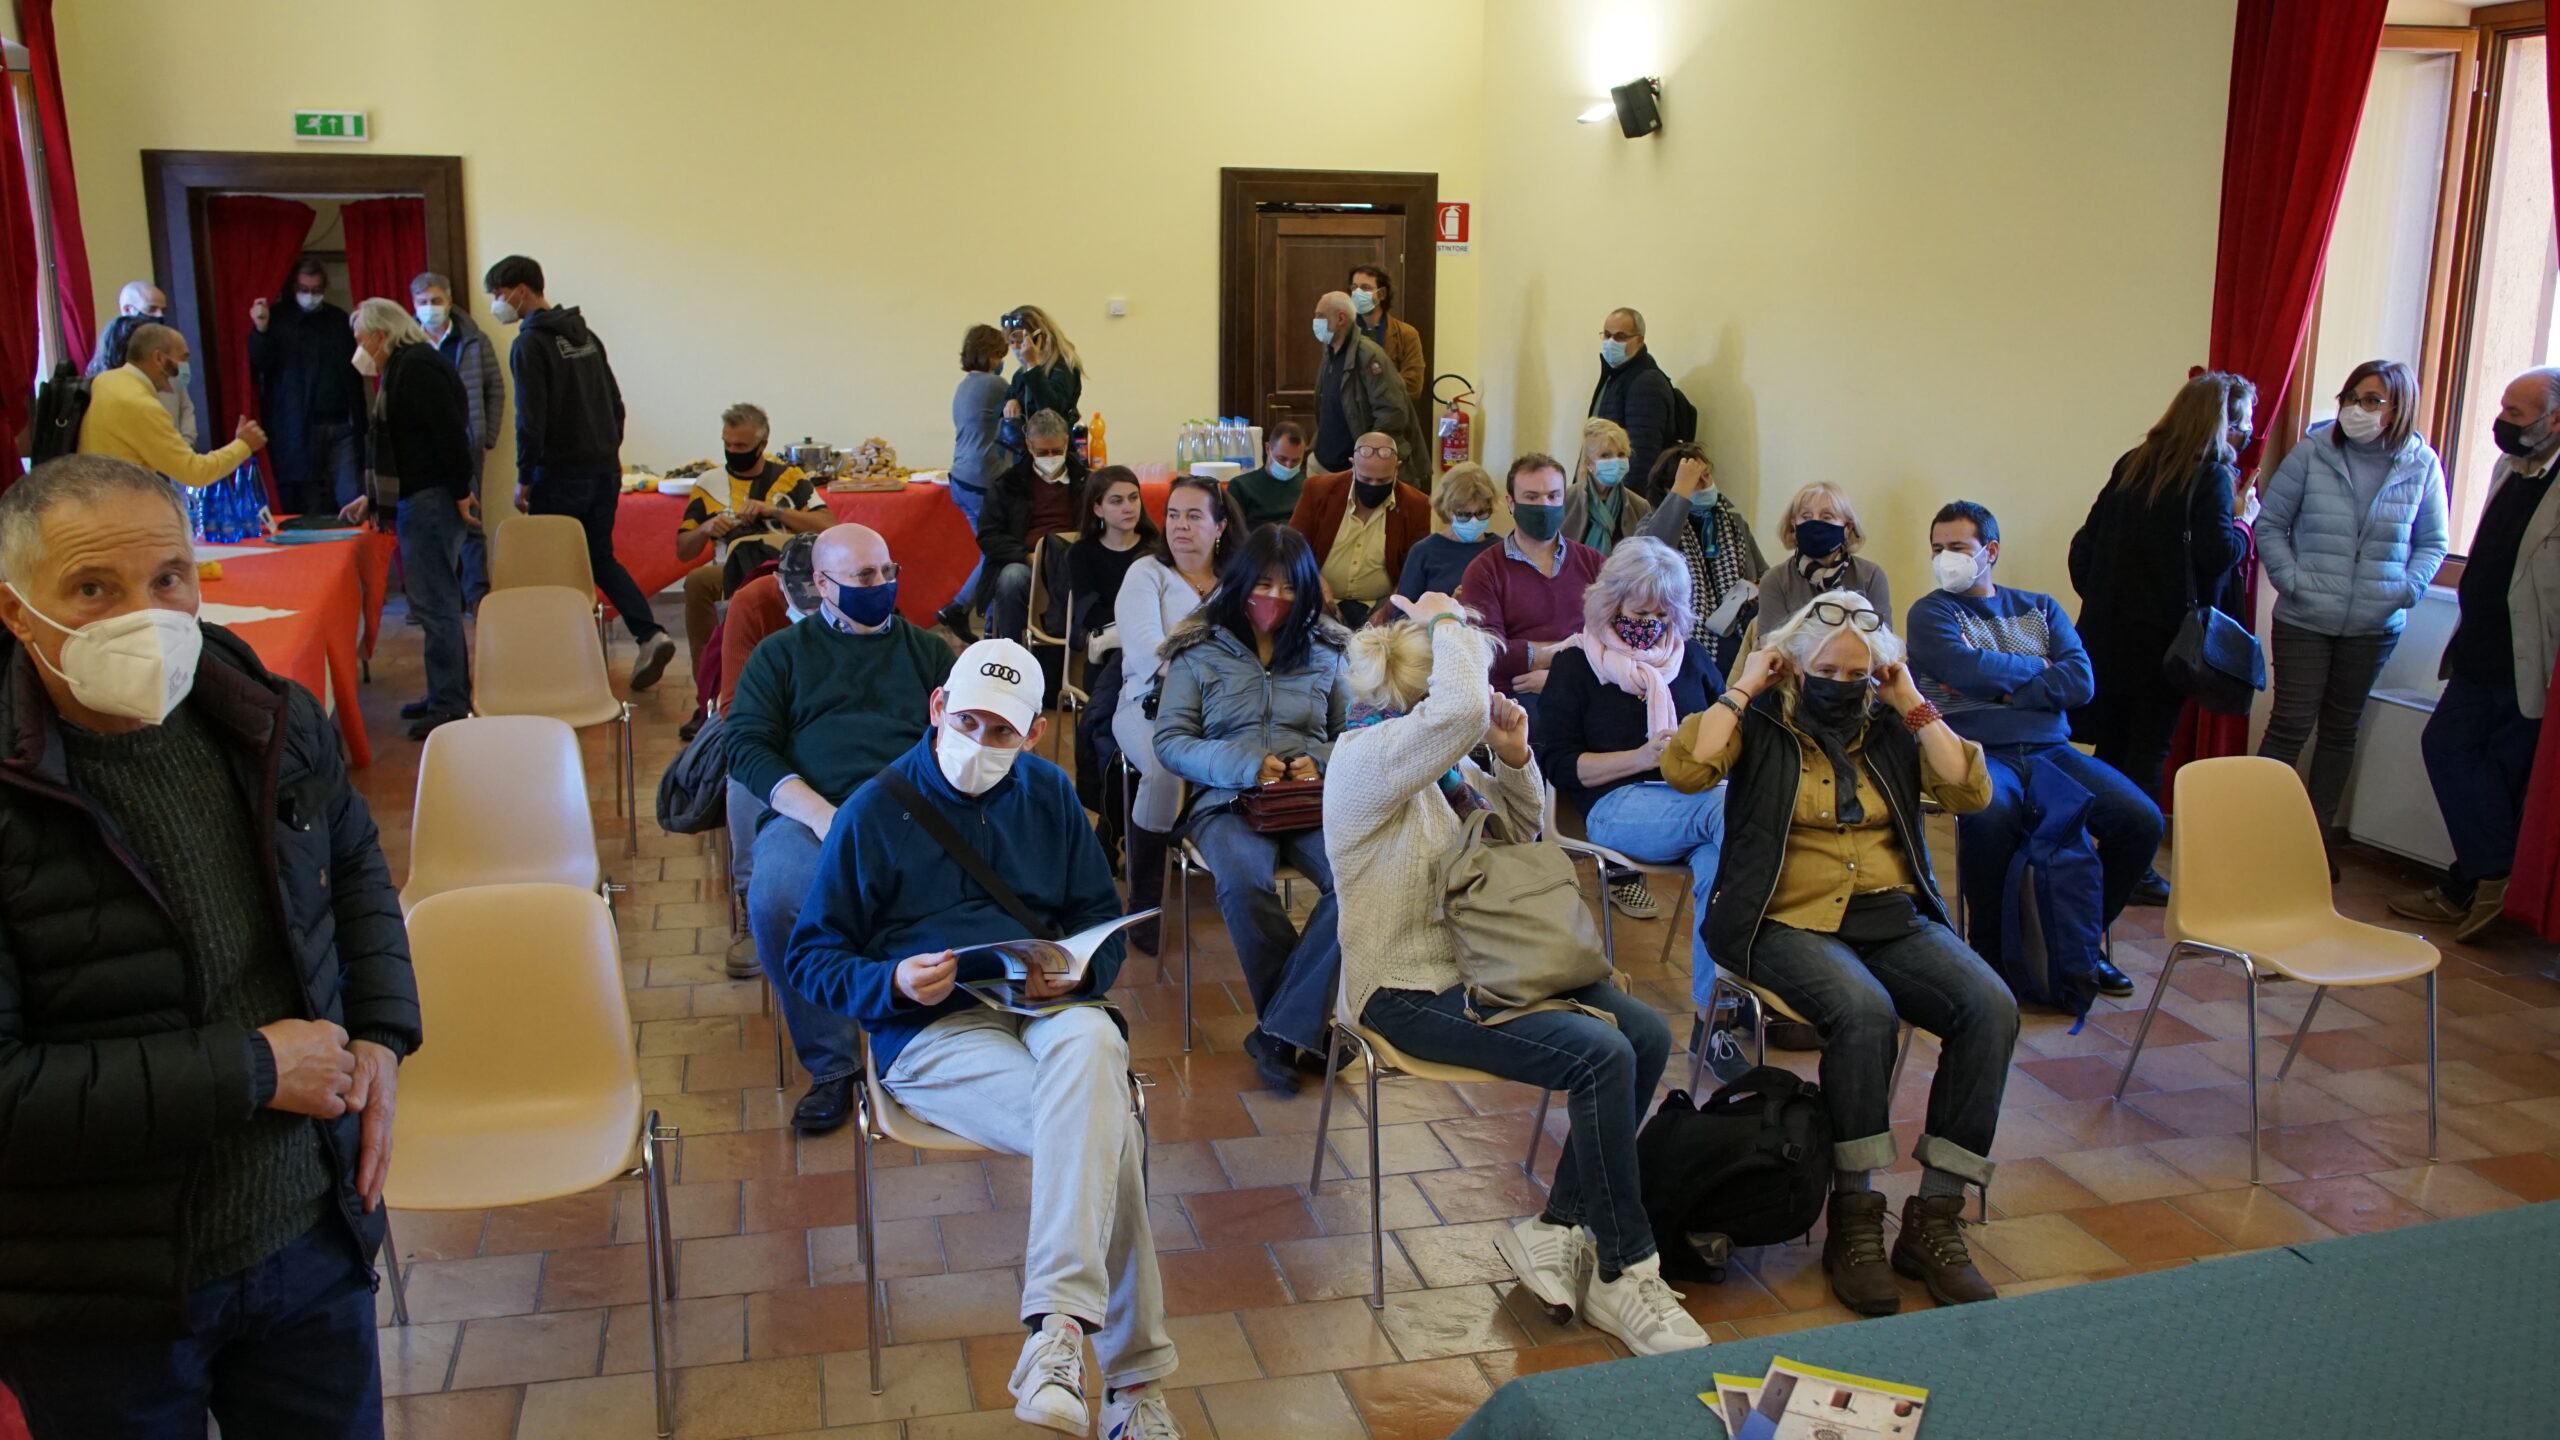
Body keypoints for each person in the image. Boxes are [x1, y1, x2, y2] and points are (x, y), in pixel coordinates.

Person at [0, 455, 420, 1437]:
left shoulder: (264, 714)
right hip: (103, 1296)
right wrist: (255, 1069)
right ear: (18, 612)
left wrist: (381, 1034)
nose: (143, 615)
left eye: (167, 578)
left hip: (307, 1238)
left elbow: (354, 871)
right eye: (93, 588)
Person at [785, 640, 1182, 1440]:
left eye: (1000, 731)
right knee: (1106, 1133)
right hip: (933, 1030)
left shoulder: (1051, 794)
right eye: (966, 721)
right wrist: (892, 982)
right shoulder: (873, 809)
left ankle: (1057, 1339)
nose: (978, 742)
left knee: (1094, 1046)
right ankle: (1131, 1384)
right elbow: (811, 957)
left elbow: (1094, 922)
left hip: (1044, 1012)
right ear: (937, 707)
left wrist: (1078, 973)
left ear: (1034, 733)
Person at [1329, 599, 1707, 1357]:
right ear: (1430, 694)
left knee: (1641, 1032)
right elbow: (1462, 706)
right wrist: (1448, 621)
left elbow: (1519, 831)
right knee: (1601, 1056)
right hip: (1406, 991)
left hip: (1492, 964)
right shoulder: (1367, 759)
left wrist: (1510, 758)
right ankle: (1626, 1268)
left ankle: (1557, 1227)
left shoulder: (1446, 771)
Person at [1662, 592, 2011, 1317]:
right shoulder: (1760, 720)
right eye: (1826, 671)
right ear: (1793, 664)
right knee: (1864, 1013)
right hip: (1780, 919)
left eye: (1857, 674)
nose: (1842, 686)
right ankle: (1855, 1216)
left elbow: (1970, 791)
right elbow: (1687, 771)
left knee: (1990, 1008)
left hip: (1889, 915)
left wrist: (1910, 700)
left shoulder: (1890, 724)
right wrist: (1745, 684)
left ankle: (1935, 1216)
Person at [726, 523, 955, 1131]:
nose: (880, 585)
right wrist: (822, 815)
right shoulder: (781, 655)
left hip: (909, 809)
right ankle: (833, 1065)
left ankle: (929, 1042)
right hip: (811, 814)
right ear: (822, 584)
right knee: (778, 896)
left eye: (887, 572)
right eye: (863, 576)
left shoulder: (928, 653)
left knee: (961, 879)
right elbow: (746, 746)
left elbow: (956, 739)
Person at [1907, 501, 2159, 1000]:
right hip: (1976, 751)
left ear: (1990, 551)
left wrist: (2001, 689)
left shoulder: (2040, 607)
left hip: (2051, 751)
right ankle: (1990, 955)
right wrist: (2040, 669)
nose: (1944, 558)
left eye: (1957, 547)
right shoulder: (1932, 611)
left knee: (2140, 821)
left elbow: (2080, 681)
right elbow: (1961, 668)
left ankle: (2078, 943)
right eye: (1936, 548)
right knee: (1991, 817)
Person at [1153, 526, 1349, 1093]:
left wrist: (1319, 759)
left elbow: (1357, 734)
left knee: (1356, 880)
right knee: (1244, 881)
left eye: (1290, 587)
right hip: (1227, 800)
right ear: (1240, 581)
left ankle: (1277, 1033)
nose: (1275, 598)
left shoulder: (1330, 651)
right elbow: (1171, 741)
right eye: (1263, 583)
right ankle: (1298, 1027)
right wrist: (1243, 763)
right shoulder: (1197, 650)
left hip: (1310, 799)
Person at [2068, 370, 2254, 889]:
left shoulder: (2134, 463)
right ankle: (2134, 868)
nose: (2244, 435)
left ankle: (2094, 850)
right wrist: (2244, 521)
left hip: (2108, 633)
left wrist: (2101, 600)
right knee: (2148, 751)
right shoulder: (2211, 477)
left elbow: (2084, 545)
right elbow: (2219, 554)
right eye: (2242, 424)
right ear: (2222, 423)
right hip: (2168, 641)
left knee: (2112, 746)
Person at [2393, 367, 2560, 941]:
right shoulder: (2506, 468)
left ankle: (2472, 885)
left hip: (2529, 660)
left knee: (2504, 774)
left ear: (2554, 420)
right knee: (2447, 747)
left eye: (2516, 413)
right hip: (2477, 649)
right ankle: (2491, 876)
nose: (2501, 422)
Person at [2255, 360, 2449, 844]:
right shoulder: (2312, 452)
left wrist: (2406, 589)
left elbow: (2433, 542)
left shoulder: (2422, 463)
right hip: (2304, 617)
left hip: (2374, 624)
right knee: (2290, 725)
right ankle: (2258, 837)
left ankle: (2315, 843)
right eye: (2351, 398)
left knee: (2341, 731)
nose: (2357, 409)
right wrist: (2292, 580)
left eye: (2371, 401)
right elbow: (2270, 523)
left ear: (2399, 408)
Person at [484, 254, 679, 689]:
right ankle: (650, 634)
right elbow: (616, 403)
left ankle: (562, 660)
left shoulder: (530, 345)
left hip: (558, 475)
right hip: (603, 469)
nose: (497, 303)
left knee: (553, 563)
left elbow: (530, 418)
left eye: (499, 294)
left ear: (521, 290)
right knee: (599, 557)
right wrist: (608, 451)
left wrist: (524, 475)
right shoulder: (585, 336)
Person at [1535, 537, 1728, 932]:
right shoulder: (1576, 665)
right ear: (1612, 604)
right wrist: (1643, 757)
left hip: (1694, 796)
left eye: (1663, 614)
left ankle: (1727, 974)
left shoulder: (1691, 658)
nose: (1651, 624)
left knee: (1720, 872)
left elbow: (1727, 730)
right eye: (1640, 612)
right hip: (1613, 807)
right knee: (1731, 810)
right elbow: (1559, 766)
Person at [337, 300, 478, 742]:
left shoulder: (416, 367)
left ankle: (450, 703)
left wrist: (461, 491)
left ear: (380, 335)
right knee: (431, 603)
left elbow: (449, 436)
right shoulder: (404, 366)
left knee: (436, 605)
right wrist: (371, 497)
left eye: (361, 338)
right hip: (421, 496)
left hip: (432, 500)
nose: (359, 348)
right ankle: (442, 692)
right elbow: (406, 447)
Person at [1114, 476, 1244, 955]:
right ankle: (1145, 902)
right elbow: (1152, 654)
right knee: (1164, 767)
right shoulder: (1146, 573)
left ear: (1220, 527)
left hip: (1227, 706)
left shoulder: (1239, 579)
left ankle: (1240, 879)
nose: (1179, 526)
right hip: (1149, 702)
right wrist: (1220, 670)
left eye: (1193, 516)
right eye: (1172, 515)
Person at [717, 535, 824, 980]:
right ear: (781, 583)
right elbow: (733, 705)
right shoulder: (753, 603)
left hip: (832, 731)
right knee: (744, 777)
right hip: (770, 726)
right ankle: (750, 901)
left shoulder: (865, 598)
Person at [676, 403, 827, 680]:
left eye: (741, 446)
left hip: (786, 568)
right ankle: (709, 680)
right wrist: (705, 529)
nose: (732, 451)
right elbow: (683, 551)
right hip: (730, 569)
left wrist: (776, 511)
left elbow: (828, 526)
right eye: (727, 444)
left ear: (762, 445)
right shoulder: (708, 484)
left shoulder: (790, 478)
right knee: (698, 580)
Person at [1460, 453, 1606, 700]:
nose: (1544, 506)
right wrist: (1577, 649)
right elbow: (1489, 651)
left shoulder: (1594, 563)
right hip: (1515, 699)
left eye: (1553, 496)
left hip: (1586, 690)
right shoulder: (1484, 570)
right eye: (1531, 497)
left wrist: (1561, 674)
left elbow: (1615, 639)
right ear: (1511, 502)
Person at [1068, 467, 1157, 827]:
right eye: (1117, 501)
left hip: (1149, 654)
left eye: (1133, 498)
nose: (1128, 507)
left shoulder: (1156, 547)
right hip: (1108, 660)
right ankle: (1114, 815)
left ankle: (1117, 821)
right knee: (1108, 722)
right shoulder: (1082, 553)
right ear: (1097, 508)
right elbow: (1089, 615)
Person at [410, 273, 506, 609]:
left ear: (449, 302)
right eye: (423, 302)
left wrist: (488, 436)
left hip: (467, 444)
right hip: (421, 450)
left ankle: (477, 595)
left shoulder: (474, 340)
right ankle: (434, 599)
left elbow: (495, 389)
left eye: (436, 301)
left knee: (471, 520)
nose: (430, 308)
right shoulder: (406, 343)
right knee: (427, 523)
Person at [76, 323, 265, 487]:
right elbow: (195, 472)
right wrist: (244, 445)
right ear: (159, 358)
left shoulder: (106, 380)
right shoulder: (141, 405)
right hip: (120, 504)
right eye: (183, 358)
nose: (186, 366)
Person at [1638, 445, 1769, 675]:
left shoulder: (1733, 522)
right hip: (1684, 640)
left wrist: (1755, 588)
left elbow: (1764, 574)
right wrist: (1682, 490)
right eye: (1697, 480)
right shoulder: (1652, 523)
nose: (1707, 484)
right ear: (1671, 488)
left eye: (1707, 475)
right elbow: (1653, 552)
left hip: (1736, 634)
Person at [249, 259, 366, 515]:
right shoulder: (278, 320)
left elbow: (356, 371)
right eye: (304, 289)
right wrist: (261, 329)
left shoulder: (338, 320)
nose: (310, 296)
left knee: (351, 496)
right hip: (298, 426)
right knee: (308, 502)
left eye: (316, 290)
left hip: (342, 423)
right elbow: (261, 364)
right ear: (294, 288)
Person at [1286, 430, 1431, 627]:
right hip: (1319, 600)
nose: (1373, 485)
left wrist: (1387, 610)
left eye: (1383, 481)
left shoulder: (1416, 505)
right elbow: (1292, 546)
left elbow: (1415, 570)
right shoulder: (1318, 490)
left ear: (1396, 468)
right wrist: (1316, 581)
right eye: (1365, 479)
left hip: (1380, 605)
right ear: (1352, 464)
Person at [974, 410, 1091, 642]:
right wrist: (1026, 557)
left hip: (1075, 560)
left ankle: (1085, 649)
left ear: (1066, 442)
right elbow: (989, 536)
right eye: (1042, 452)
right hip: (1027, 563)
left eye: (1056, 451)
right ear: (1029, 446)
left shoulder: (1086, 482)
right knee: (1011, 579)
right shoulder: (1008, 484)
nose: (1050, 457)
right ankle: (1013, 650)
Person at [937, 323, 1012, 637]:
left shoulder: (964, 386)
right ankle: (958, 607)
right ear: (992, 354)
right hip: (983, 479)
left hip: (961, 477)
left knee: (989, 552)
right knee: (997, 552)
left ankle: (986, 619)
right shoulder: (996, 384)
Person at [1310, 291, 1424, 486]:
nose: (1315, 321)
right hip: (1323, 465)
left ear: (1340, 318)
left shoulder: (1368, 355)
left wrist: (1368, 457)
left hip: (1356, 472)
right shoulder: (1330, 353)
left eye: (1320, 315)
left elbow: (1392, 412)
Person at [1760, 483, 1892, 636]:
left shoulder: (1870, 576)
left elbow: (1883, 640)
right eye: (1806, 517)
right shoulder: (1775, 580)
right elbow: (1771, 644)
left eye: (1826, 517)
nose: (1815, 524)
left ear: (1848, 527)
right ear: (1794, 524)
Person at [89, 280, 196, 444]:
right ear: (128, 309)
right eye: (151, 309)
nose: (159, 316)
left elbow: (184, 401)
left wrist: (186, 441)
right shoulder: (113, 368)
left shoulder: (168, 347)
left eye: (163, 310)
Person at [1589, 307, 1678, 503]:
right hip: (1604, 493)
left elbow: (1642, 456)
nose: (1611, 342)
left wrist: (1626, 507)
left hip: (1626, 502)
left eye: (1620, 336)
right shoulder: (1615, 376)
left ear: (1639, 340)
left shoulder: (1646, 382)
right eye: (1607, 335)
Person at [1396, 460, 1502, 600]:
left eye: (1481, 513)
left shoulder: (1502, 551)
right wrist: (1448, 608)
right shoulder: (1424, 552)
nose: (1474, 521)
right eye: (1464, 514)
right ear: (1447, 511)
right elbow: (1403, 610)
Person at [1563, 416, 1655, 554]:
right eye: (1605, 455)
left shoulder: (1640, 507)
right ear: (1589, 464)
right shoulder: (1565, 500)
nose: (1615, 461)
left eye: (1621, 454)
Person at [1000, 305, 1085, 441]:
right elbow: (999, 410)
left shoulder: (1063, 368)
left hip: (1055, 445)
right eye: (1011, 342)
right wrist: (1010, 402)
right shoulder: (1021, 374)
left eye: (1020, 341)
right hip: (1027, 447)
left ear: (1038, 338)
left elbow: (1051, 409)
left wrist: (1033, 365)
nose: (1015, 347)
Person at [1348, 263, 1426, 409]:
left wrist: (1370, 389)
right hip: (1352, 416)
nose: (1358, 293)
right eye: (1354, 287)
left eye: (1365, 287)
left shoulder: (1406, 334)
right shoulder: (1344, 333)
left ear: (1382, 294)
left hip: (1391, 414)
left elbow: (1413, 386)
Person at [1229, 422, 1311, 531]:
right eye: (1282, 459)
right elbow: (1234, 533)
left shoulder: (1308, 487)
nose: (1288, 466)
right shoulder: (1241, 486)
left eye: (1295, 461)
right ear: (1268, 448)